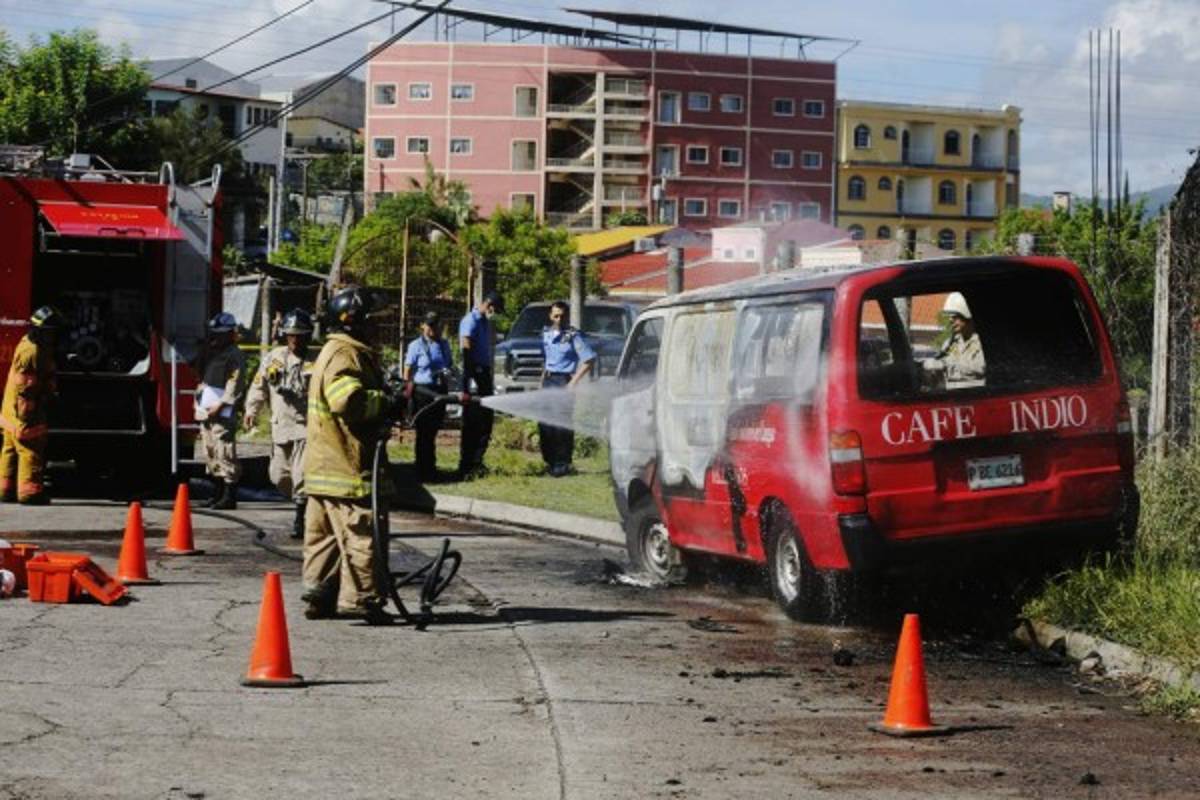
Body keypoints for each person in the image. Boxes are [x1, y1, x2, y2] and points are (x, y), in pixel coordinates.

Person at [301, 286, 393, 623]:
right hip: (346, 467)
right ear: (354, 323)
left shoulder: (333, 349)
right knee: (361, 534)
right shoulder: (345, 354)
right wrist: (386, 401)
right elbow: (347, 402)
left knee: (323, 536)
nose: (378, 328)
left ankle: (319, 594)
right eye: (373, 321)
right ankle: (363, 600)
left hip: (325, 467)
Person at [244, 308, 314, 539]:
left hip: (306, 427)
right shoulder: (274, 357)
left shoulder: (316, 361)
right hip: (280, 426)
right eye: (291, 334)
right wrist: (251, 410)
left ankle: (301, 517)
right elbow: (258, 385)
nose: (295, 339)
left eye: (300, 335)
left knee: (301, 474)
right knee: (279, 476)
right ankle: (303, 503)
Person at [0, 306, 61, 505]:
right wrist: (31, 414)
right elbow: (28, 386)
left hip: (10, 409)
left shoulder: (26, 342)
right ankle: (30, 492)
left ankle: (5, 490)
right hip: (24, 409)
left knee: (9, 448)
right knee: (30, 448)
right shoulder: (34, 352)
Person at [538, 301, 596, 477]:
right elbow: (546, 360)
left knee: (561, 425)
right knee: (545, 424)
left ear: (567, 316)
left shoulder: (573, 336)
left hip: (563, 380)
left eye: (562, 315)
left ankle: (562, 464)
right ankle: (549, 461)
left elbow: (589, 360)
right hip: (548, 381)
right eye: (556, 315)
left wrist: (573, 383)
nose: (559, 319)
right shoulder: (546, 334)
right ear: (550, 316)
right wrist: (541, 382)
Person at [195, 312, 246, 510]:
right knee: (209, 450)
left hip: (223, 411)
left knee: (224, 450)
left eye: (222, 333)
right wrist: (198, 402)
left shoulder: (235, 355)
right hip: (207, 408)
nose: (218, 337)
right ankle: (216, 493)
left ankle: (229, 495)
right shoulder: (212, 352)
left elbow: (235, 383)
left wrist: (222, 404)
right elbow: (204, 379)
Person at [457, 290, 503, 479]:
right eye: (496, 308)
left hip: (483, 373)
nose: (495, 313)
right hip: (474, 372)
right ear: (489, 304)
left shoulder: (484, 322)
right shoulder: (471, 320)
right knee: (473, 421)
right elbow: (466, 347)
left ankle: (477, 461)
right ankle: (467, 464)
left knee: (486, 419)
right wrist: (470, 379)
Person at [403, 310, 453, 482]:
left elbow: (449, 364)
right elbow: (408, 370)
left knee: (433, 430)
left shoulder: (444, 344)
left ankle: (430, 467)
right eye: (430, 325)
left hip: (439, 390)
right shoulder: (415, 346)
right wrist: (407, 391)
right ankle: (423, 469)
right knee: (423, 431)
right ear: (422, 326)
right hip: (422, 391)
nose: (433, 329)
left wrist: (446, 374)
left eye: (436, 325)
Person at [923, 291, 986, 390]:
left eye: (955, 316)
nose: (951, 320)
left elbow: (980, 367)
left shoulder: (982, 341)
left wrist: (945, 366)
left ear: (967, 316)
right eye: (949, 317)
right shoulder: (952, 342)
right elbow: (941, 360)